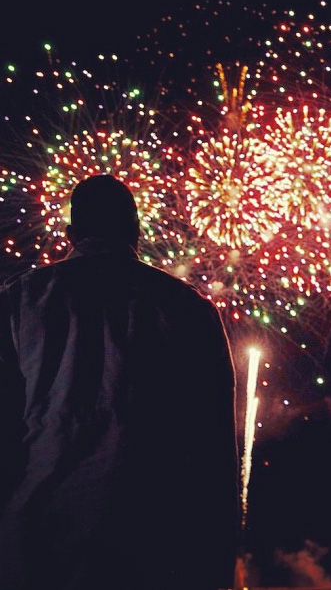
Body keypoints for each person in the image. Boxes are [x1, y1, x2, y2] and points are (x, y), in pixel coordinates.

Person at [0, 175, 238, 590]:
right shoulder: (189, 309)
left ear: (71, 234)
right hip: (150, 541)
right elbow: (213, 448)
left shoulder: (18, 301)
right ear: (137, 231)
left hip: (37, 539)